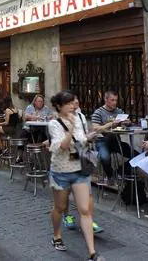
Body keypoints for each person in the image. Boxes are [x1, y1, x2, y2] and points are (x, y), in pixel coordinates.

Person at [47, 91, 103, 261]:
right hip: (61, 172)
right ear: (59, 106)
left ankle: (92, 252)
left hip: (80, 170)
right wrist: (70, 127)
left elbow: (82, 140)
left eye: (73, 103)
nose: (72, 106)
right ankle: (57, 235)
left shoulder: (79, 118)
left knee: (85, 210)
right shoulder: (53, 124)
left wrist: (92, 136)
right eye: (68, 103)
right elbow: (63, 146)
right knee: (60, 208)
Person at [61, 95, 103, 234]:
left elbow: (84, 134)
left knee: (87, 191)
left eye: (77, 101)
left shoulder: (81, 116)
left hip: (82, 157)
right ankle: (67, 215)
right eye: (73, 101)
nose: (76, 103)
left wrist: (91, 136)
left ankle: (88, 220)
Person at [91, 91, 132, 183]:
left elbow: (124, 126)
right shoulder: (99, 112)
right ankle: (110, 176)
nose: (114, 102)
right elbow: (95, 128)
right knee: (105, 157)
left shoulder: (119, 111)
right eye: (112, 100)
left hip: (115, 140)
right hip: (102, 140)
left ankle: (119, 171)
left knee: (134, 154)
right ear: (105, 100)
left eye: (116, 100)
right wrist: (110, 124)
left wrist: (127, 123)